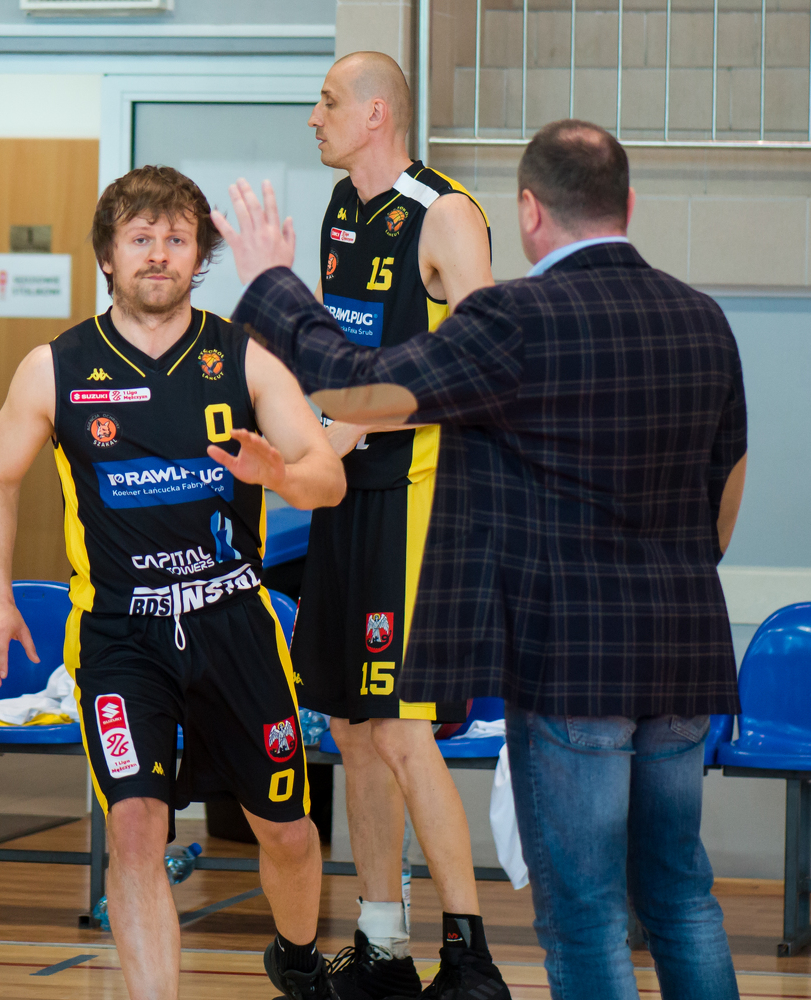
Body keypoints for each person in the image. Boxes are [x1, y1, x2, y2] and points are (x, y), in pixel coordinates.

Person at [216, 120, 747, 1000]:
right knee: (682, 897)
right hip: (688, 649)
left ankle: (431, 946)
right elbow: (726, 486)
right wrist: (684, 576)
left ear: (529, 212)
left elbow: (357, 387)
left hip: (574, 658)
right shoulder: (704, 318)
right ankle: (386, 942)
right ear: (629, 203)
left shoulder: (517, 318)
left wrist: (272, 280)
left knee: (584, 913)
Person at [0, 166, 346, 1000]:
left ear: (199, 257)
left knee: (286, 831)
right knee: (137, 829)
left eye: (177, 239)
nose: (159, 254)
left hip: (234, 624)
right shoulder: (54, 367)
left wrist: (280, 474)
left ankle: (297, 958)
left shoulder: (243, 355)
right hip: (120, 634)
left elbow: (328, 478)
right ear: (107, 254)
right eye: (140, 238)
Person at [288, 52, 508, 1000]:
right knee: (350, 724)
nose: (315, 117)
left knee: (404, 728)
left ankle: (472, 959)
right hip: (345, 491)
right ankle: (383, 945)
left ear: (377, 113)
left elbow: (488, 368)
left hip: (419, 497)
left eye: (329, 101)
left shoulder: (445, 213)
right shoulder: (342, 209)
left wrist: (359, 421)